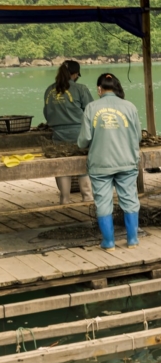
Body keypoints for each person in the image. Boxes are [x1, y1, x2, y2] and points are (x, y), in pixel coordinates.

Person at [77, 73, 142, 251]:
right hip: (127, 162)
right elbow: (138, 137)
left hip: (100, 164)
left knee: (103, 202)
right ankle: (133, 240)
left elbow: (83, 141)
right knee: (130, 200)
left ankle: (109, 242)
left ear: (99, 89)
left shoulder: (91, 108)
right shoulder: (130, 107)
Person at [44, 59, 93, 204]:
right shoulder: (80, 89)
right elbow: (91, 111)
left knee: (62, 167)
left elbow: (47, 114)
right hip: (79, 133)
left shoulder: (49, 90)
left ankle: (64, 199)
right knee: (83, 166)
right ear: (76, 74)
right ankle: (87, 197)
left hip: (58, 135)